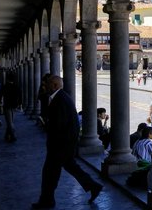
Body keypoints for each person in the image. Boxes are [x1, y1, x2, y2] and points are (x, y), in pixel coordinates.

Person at [32, 75, 103, 209]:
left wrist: (46, 125)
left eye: (47, 84)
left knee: (49, 173)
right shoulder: (60, 97)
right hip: (64, 144)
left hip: (60, 145)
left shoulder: (60, 100)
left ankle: (47, 201)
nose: (45, 86)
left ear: (55, 86)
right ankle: (93, 186)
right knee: (69, 167)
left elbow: (59, 125)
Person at [2, 72, 20, 142]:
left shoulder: (6, 86)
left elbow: (2, 95)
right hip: (14, 105)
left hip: (7, 105)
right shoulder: (16, 86)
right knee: (10, 120)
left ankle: (13, 135)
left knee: (9, 122)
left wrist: (0, 103)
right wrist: (19, 104)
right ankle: (7, 135)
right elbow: (19, 95)